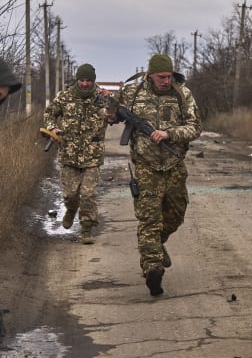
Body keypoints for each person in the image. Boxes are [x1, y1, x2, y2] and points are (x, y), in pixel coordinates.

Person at [111, 54, 201, 296]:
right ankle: (153, 268)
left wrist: (169, 133)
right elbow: (110, 115)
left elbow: (195, 127)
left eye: (169, 76)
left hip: (174, 165)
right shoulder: (132, 93)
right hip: (145, 166)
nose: (165, 80)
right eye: (161, 76)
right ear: (150, 74)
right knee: (149, 219)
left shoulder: (182, 94)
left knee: (175, 215)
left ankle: (156, 247)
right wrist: (110, 112)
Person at [43, 63, 110, 244]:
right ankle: (71, 209)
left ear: (93, 81)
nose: (85, 84)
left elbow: (119, 113)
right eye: (82, 80)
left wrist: (112, 99)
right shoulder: (65, 96)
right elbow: (49, 114)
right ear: (77, 79)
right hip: (69, 154)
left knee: (88, 194)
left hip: (92, 156)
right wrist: (53, 128)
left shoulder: (103, 98)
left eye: (89, 80)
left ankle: (86, 229)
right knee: (70, 194)